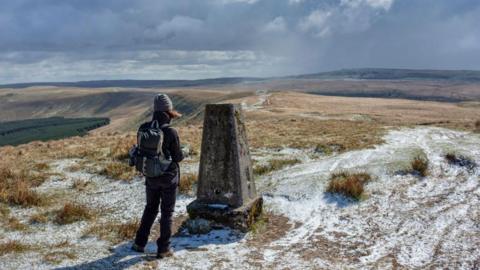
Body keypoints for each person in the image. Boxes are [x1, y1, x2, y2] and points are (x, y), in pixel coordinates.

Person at [131, 93, 184, 259]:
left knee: (150, 208)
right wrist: (185, 152)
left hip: (150, 176)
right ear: (168, 111)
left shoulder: (143, 128)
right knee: (167, 213)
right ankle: (164, 249)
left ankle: (139, 243)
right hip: (169, 177)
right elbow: (178, 157)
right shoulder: (171, 132)